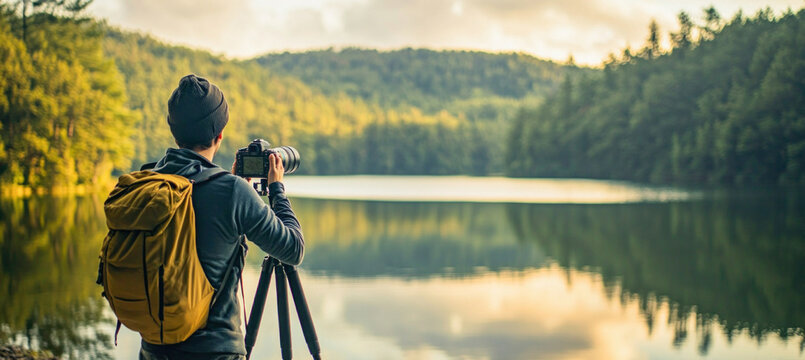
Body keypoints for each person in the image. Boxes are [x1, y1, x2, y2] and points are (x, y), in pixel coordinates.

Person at [138, 74, 305, 360]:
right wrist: (276, 189)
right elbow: (293, 249)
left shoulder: (147, 182)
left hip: (155, 348)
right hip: (213, 352)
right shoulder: (231, 192)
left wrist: (231, 183)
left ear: (174, 130)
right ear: (220, 134)